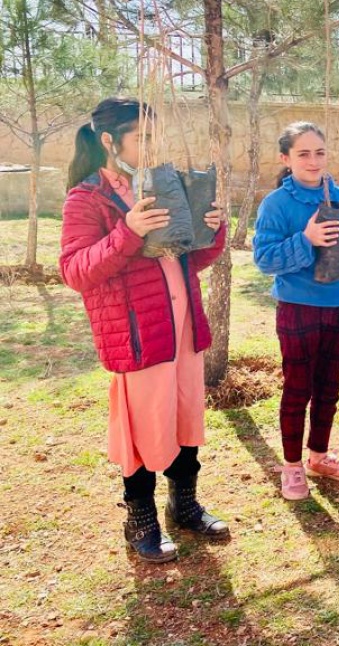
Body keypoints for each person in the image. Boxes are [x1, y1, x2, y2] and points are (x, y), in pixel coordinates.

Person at [59, 97, 229, 563]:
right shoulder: (88, 197)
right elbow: (75, 271)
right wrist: (128, 231)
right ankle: (140, 519)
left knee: (184, 418)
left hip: (183, 328)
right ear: (110, 141)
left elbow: (192, 259)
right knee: (143, 430)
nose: (152, 147)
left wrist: (211, 231)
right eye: (142, 138)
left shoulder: (162, 184)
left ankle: (185, 504)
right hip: (137, 335)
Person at [253, 122, 339, 501]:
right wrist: (306, 240)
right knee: (297, 388)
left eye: (319, 152)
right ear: (285, 159)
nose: (312, 160)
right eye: (303, 153)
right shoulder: (276, 204)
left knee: (328, 387)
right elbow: (264, 259)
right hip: (297, 308)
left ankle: (319, 457)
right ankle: (292, 467)